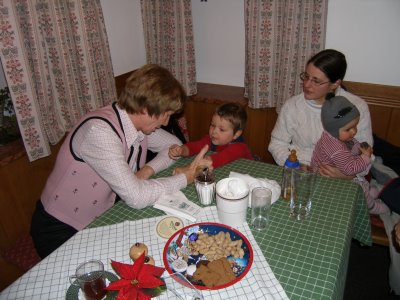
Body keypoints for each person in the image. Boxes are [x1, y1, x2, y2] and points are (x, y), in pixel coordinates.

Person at [30, 64, 208, 258]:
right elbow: (136, 196)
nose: (166, 123)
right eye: (166, 115)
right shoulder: (100, 132)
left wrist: (147, 170)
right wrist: (185, 178)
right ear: (146, 109)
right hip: (59, 229)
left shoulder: (134, 122)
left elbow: (172, 145)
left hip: (98, 218)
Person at [268, 49, 373, 176]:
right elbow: (277, 143)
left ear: (335, 84)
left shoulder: (356, 107)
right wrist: (293, 163)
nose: (307, 84)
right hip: (300, 169)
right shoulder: (293, 105)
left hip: (342, 173)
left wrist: (346, 175)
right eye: (306, 76)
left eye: (316, 81)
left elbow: (367, 153)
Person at [311, 94, 389, 215]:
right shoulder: (335, 147)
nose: (354, 131)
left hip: (338, 172)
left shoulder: (335, 135)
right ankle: (372, 206)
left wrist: (358, 148)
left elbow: (351, 144)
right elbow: (350, 169)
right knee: (359, 188)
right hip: (329, 183)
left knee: (361, 179)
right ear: (334, 129)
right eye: (349, 129)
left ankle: (371, 190)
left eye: (355, 126)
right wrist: (365, 157)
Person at [168, 102, 253, 170]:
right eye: (212, 125)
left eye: (222, 129)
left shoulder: (239, 147)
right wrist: (181, 150)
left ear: (236, 134)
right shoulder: (210, 139)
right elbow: (195, 146)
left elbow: (220, 158)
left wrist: (191, 167)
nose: (214, 132)